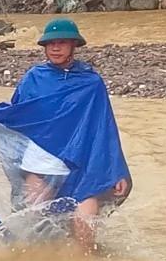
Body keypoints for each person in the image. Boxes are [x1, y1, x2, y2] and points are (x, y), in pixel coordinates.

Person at [13, 18, 132, 249]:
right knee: (35, 228)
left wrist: (116, 170)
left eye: (62, 43)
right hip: (41, 165)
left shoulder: (91, 83)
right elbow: (16, 116)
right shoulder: (33, 79)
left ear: (73, 46)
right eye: (51, 44)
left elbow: (104, 126)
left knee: (84, 224)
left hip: (82, 166)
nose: (55, 48)